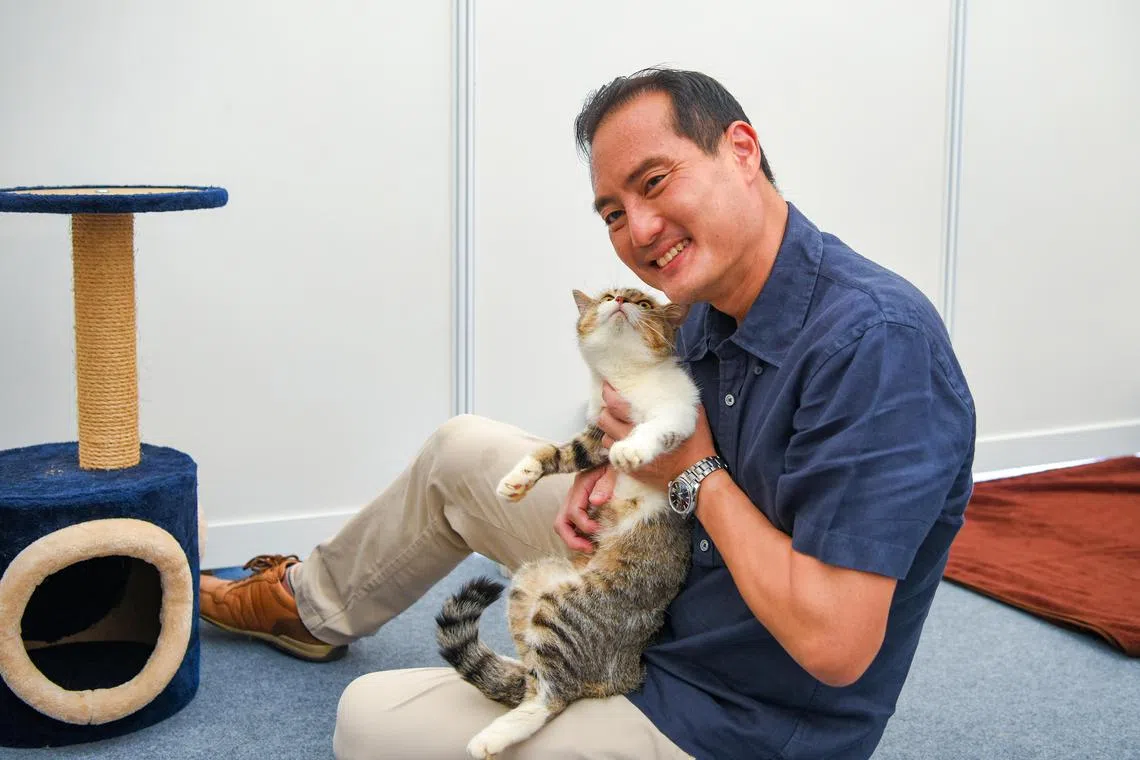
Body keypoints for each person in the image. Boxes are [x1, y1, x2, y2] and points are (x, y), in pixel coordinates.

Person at [200, 67, 976, 760]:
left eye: (655, 182)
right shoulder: (704, 304)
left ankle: (572, 689)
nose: (638, 230)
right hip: (664, 580)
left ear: (741, 151)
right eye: (612, 212)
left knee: (368, 723)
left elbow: (835, 646)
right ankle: (309, 607)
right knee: (460, 450)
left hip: (731, 711)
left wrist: (693, 472)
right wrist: (606, 466)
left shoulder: (878, 345)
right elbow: (654, 429)